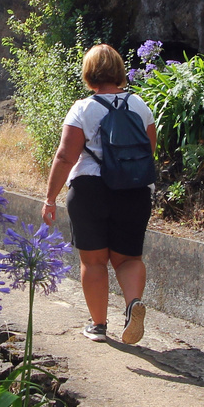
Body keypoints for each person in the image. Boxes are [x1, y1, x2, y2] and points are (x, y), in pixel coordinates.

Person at [43, 43, 158, 345]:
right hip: (134, 190)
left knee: (93, 262)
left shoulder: (83, 108)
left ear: (89, 73)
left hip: (90, 190)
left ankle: (98, 325)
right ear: (119, 71)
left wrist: (50, 197)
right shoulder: (140, 105)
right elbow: (149, 150)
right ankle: (133, 304)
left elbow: (66, 157)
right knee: (128, 258)